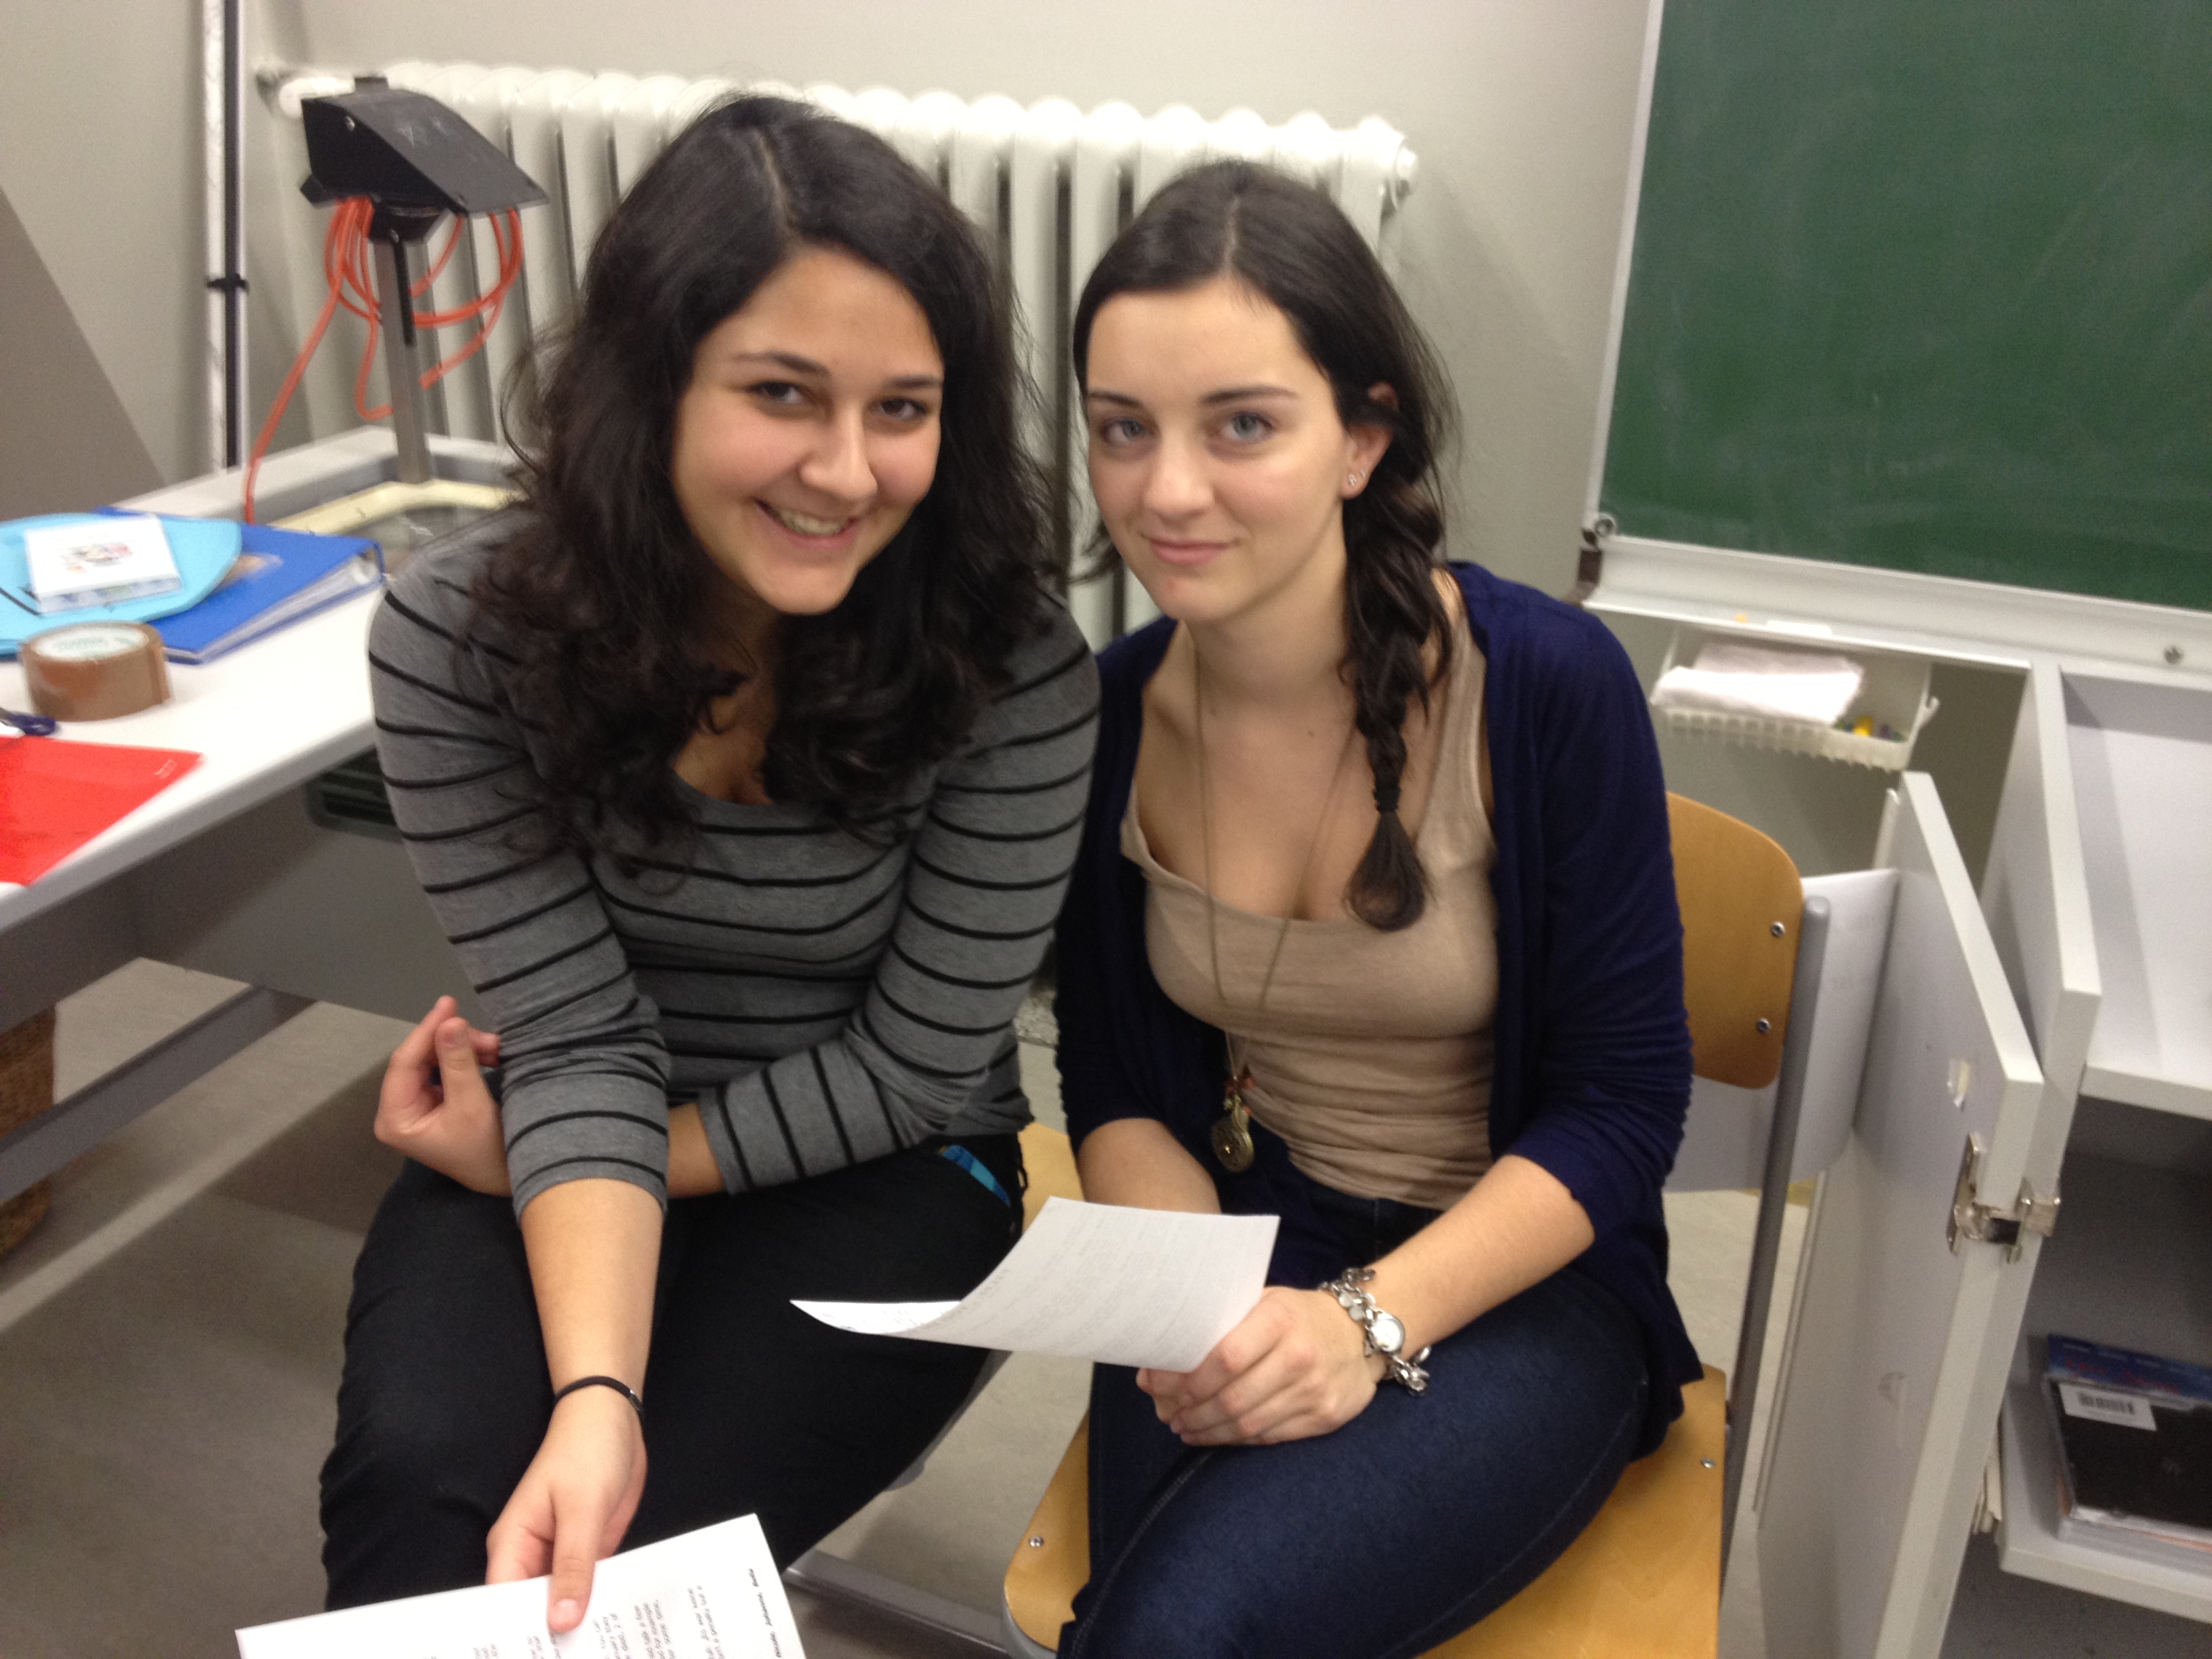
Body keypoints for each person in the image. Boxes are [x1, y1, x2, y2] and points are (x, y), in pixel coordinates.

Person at [321, 96, 1099, 1631]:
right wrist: (592, 1388)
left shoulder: (1012, 667)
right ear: (651, 383)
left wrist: (530, 1162)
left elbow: (913, 1071)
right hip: (575, 1103)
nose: (848, 470)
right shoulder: (458, 641)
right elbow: (581, 1035)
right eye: (783, 393)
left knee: (644, 1565)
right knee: (427, 1496)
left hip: (891, 1160)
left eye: (903, 408)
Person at [1050, 159, 1703, 1657]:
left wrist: (1365, 1322)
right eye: (1123, 428)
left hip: (1514, 1280)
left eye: (1243, 425)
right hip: (1239, 1237)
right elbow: (1113, 1079)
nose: (1167, 490)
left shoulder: (1542, 689)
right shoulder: (1106, 716)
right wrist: (1197, 1297)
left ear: (1362, 435)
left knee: (1174, 1631)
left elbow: (1622, 1108)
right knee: (1136, 1625)